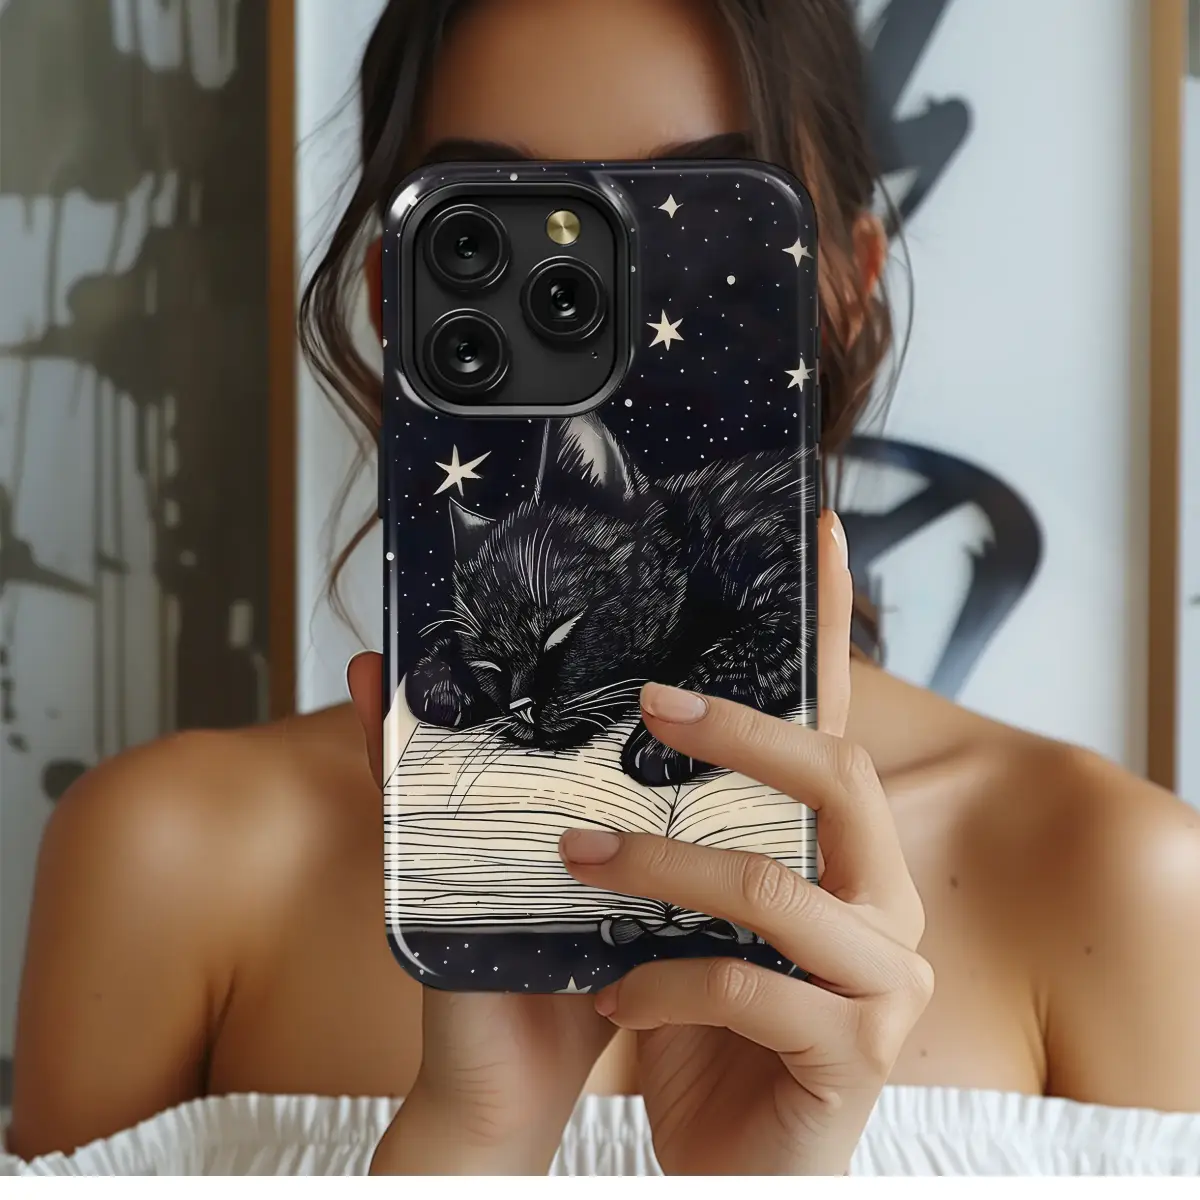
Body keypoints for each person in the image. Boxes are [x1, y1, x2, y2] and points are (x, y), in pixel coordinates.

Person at [6, 0, 1200, 1176]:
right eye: (496, 227)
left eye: (707, 222)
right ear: (392, 295)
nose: (619, 319)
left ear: (849, 285)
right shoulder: (170, 862)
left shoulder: (1114, 882)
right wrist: (475, 1139)